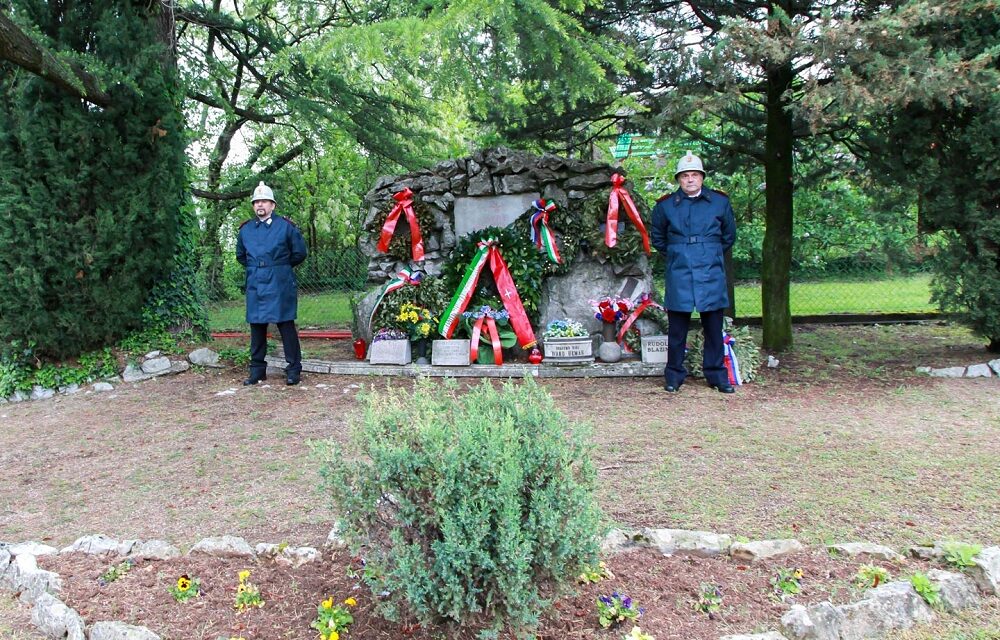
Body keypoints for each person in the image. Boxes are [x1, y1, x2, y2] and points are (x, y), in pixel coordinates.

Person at [650, 151, 737, 394]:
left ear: (702, 177)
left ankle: (717, 375)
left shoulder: (720, 202)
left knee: (713, 326)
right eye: (685, 175)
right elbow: (658, 237)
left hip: (710, 270)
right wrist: (679, 253)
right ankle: (674, 375)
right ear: (679, 179)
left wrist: (709, 252)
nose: (690, 179)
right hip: (680, 271)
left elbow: (729, 236)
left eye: (695, 175)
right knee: (677, 328)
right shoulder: (665, 205)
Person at [236, 181, 308, 386]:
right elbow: (241, 256)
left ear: (273, 205)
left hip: (280, 281)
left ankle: (294, 369)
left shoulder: (286, 227)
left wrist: (279, 267)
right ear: (253, 206)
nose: (260, 205)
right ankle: (257, 370)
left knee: (285, 325)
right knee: (257, 326)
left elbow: (299, 253)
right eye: (256, 202)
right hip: (256, 282)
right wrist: (259, 268)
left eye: (264, 201)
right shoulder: (246, 230)